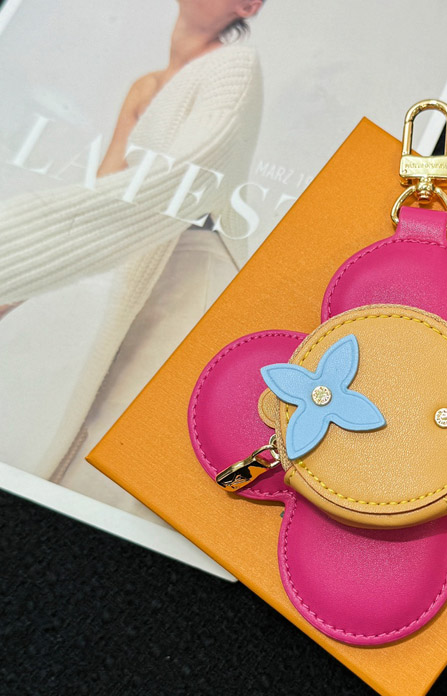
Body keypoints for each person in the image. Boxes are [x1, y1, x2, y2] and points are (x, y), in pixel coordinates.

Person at [0, 0, 265, 509]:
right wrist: (16, 286)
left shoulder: (235, 66)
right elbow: (98, 198)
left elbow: (183, 176)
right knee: (81, 420)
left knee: (132, 441)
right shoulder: (146, 87)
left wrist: (11, 259)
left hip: (194, 269)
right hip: (135, 262)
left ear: (248, 6)